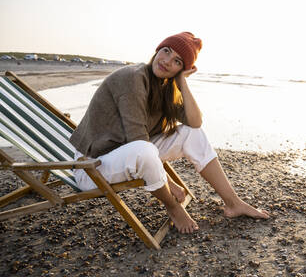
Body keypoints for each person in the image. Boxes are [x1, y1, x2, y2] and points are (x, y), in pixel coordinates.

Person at [69, 32, 269, 233]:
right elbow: (137, 141)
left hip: (123, 153)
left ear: (181, 69)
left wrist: (182, 82)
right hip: (92, 167)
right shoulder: (133, 79)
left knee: (192, 134)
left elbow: (195, 122)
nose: (166, 61)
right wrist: (170, 184)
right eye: (166, 51)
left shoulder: (165, 86)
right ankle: (173, 208)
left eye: (177, 61)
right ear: (158, 49)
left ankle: (233, 202)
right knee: (144, 150)